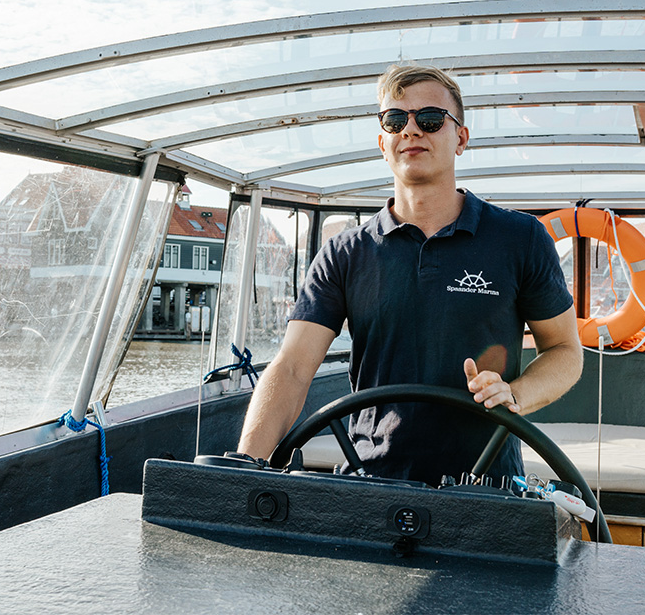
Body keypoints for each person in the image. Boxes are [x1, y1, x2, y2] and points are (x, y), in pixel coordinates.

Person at [236, 64, 583, 485]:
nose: (412, 130)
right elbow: (291, 369)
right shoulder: (344, 254)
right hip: (368, 481)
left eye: (431, 119)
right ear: (383, 142)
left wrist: (515, 394)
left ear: (461, 138)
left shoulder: (521, 238)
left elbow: (565, 351)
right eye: (395, 120)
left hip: (488, 488)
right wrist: (243, 466)